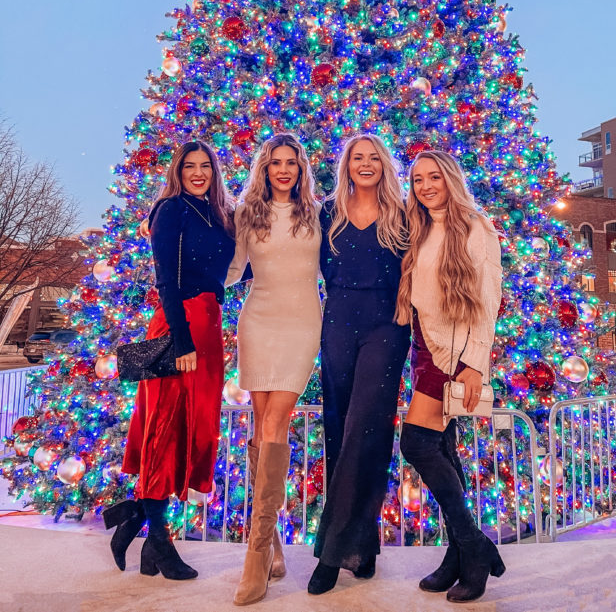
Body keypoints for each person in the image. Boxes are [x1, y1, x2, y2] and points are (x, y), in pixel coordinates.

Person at [103, 140, 236, 580]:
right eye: (189, 166)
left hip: (210, 326)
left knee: (194, 428)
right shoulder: (170, 209)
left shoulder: (219, 215)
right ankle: (158, 538)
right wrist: (181, 342)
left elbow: (231, 272)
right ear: (177, 171)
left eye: (206, 167)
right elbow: (166, 279)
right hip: (179, 327)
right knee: (164, 429)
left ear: (215, 173)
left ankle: (136, 521)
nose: (198, 173)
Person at [395, 150, 506, 603]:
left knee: (415, 443)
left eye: (433, 177)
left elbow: (488, 297)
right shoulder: (420, 228)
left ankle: (474, 547)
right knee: (441, 447)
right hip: (424, 346)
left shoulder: (475, 226)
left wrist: (474, 363)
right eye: (418, 179)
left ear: (450, 178)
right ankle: (458, 553)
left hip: (453, 354)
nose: (425, 186)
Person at [308, 134, 410, 595]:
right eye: (357, 158)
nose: (365, 164)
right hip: (337, 323)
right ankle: (362, 545)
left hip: (387, 326)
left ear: (383, 165)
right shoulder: (325, 212)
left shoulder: (403, 213)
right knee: (338, 430)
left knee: (366, 429)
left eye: (373, 158)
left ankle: (331, 554)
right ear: (346, 165)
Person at [226, 133, 321, 606]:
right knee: (260, 430)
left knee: (276, 423)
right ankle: (270, 544)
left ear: (301, 169)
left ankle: (255, 551)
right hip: (257, 322)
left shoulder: (318, 213)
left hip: (302, 324)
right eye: (275, 163)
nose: (283, 170)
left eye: (292, 163)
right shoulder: (247, 214)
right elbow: (230, 269)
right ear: (263, 169)